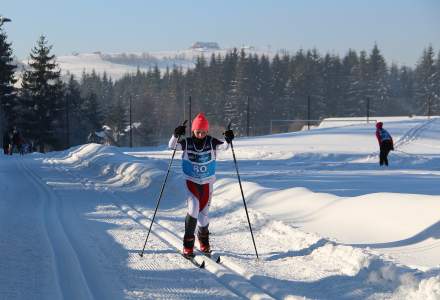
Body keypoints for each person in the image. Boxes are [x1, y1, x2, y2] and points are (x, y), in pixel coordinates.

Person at [169, 113, 234, 258]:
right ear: (193, 131)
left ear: (207, 131)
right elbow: (172, 146)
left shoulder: (211, 142)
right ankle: (188, 246)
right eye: (198, 132)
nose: (200, 134)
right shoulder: (187, 142)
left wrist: (228, 139)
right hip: (192, 182)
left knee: (203, 216)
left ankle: (204, 242)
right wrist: (175, 134)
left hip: (207, 183)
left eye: (203, 132)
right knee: (193, 210)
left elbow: (224, 147)